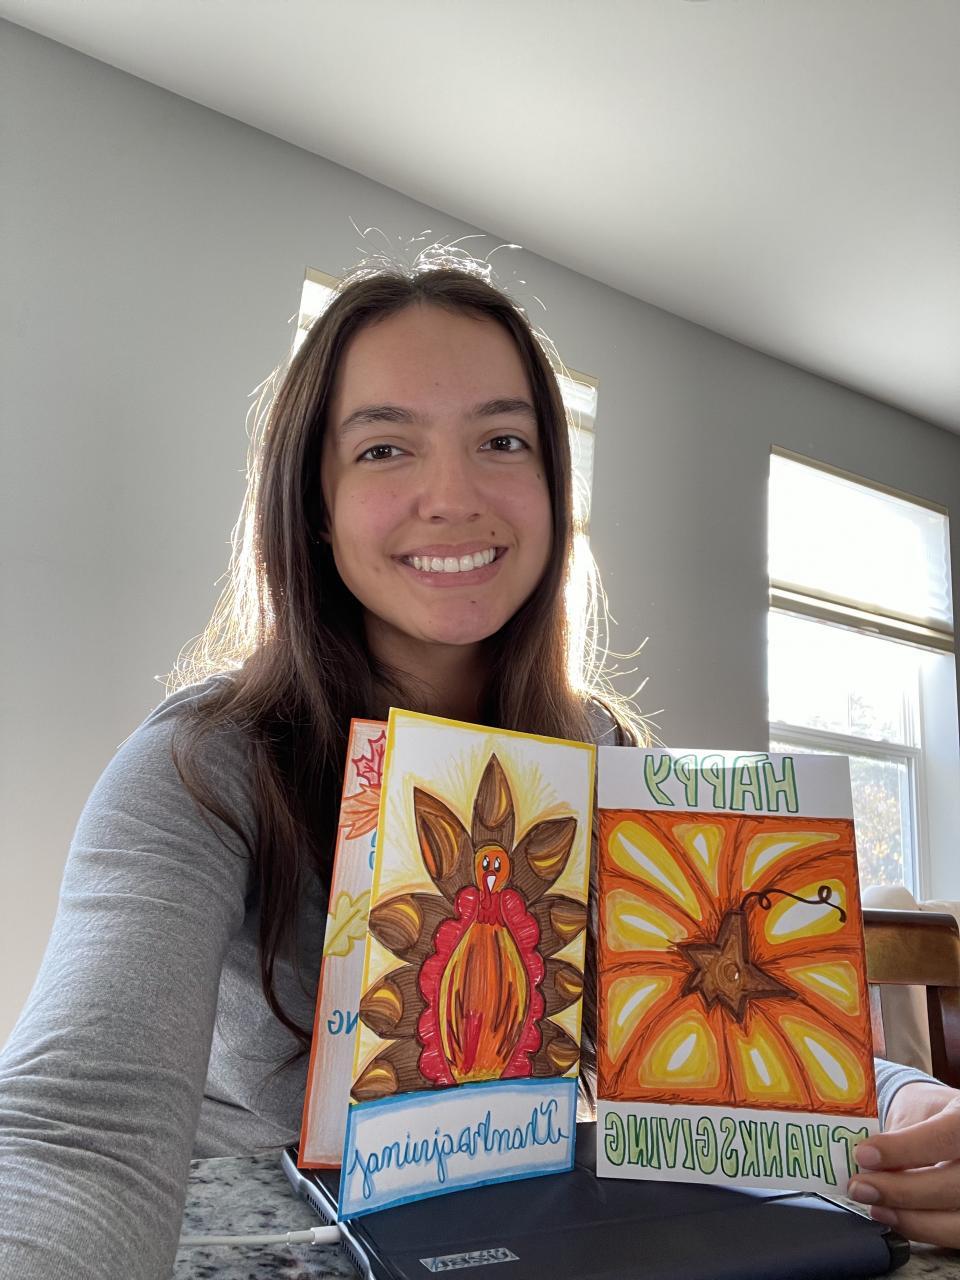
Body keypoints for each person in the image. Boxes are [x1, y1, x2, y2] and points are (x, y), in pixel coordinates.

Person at [0, 264, 957, 1279]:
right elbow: (78, 1129)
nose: (453, 497)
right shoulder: (203, 762)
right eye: (383, 447)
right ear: (315, 504)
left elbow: (709, 1047)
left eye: (502, 441)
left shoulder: (600, 753)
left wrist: (909, 1106)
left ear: (554, 489)